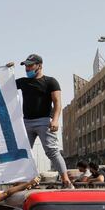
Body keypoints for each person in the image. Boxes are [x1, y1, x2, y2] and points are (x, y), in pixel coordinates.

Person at [16, 54, 72, 188]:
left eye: (30, 65)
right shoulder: (23, 82)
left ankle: (66, 181)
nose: (27, 68)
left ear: (39, 66)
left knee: (51, 151)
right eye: (26, 66)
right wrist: (6, 70)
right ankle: (25, 182)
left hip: (44, 121)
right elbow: (4, 84)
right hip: (26, 122)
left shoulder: (50, 82)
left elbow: (57, 103)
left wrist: (56, 120)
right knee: (23, 153)